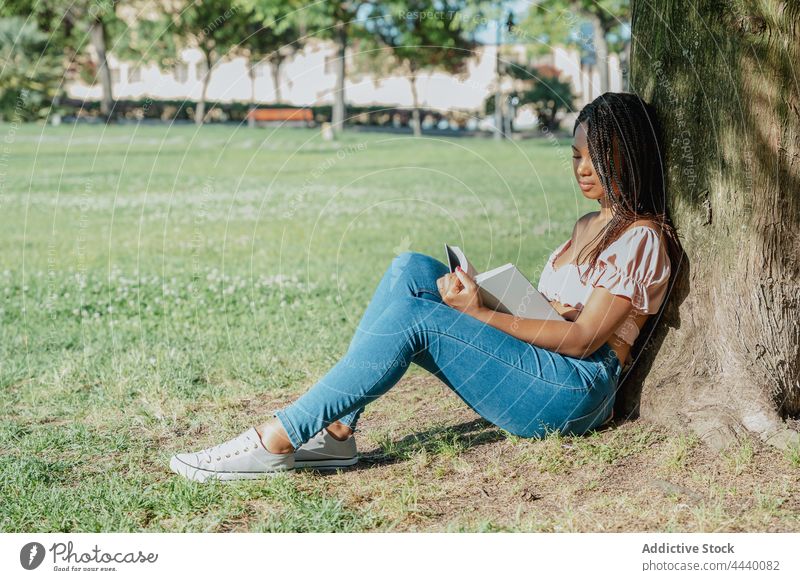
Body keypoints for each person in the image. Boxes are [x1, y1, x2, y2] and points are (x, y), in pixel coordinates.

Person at [170, 92, 681, 483]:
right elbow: (557, 312)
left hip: (574, 390)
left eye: (598, 157)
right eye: (575, 157)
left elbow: (586, 339)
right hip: (545, 364)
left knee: (419, 318)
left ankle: (275, 439)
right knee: (411, 268)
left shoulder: (641, 237)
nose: (583, 169)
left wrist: (479, 315)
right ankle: (337, 434)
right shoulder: (587, 225)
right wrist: (485, 296)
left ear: (630, 157)